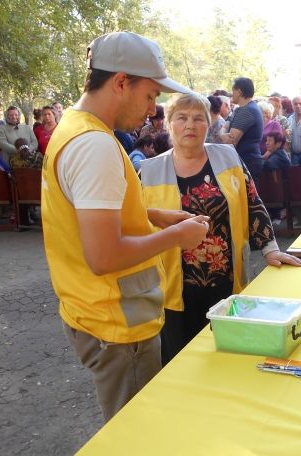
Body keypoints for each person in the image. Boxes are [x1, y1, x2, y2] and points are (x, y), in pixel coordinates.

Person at [41, 31, 210, 421]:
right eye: (150, 95)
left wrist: (152, 215)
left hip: (94, 312)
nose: (153, 109)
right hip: (117, 325)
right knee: (135, 432)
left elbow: (85, 212)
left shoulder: (76, 129)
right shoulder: (95, 145)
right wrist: (176, 236)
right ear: (120, 82)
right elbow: (103, 256)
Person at [140, 92, 301, 364]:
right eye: (181, 118)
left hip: (227, 284)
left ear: (209, 124)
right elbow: (135, 222)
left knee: (232, 359)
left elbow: (252, 202)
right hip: (175, 290)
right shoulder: (149, 171)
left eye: (198, 118)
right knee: (183, 364)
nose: (190, 125)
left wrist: (270, 248)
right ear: (168, 124)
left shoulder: (228, 157)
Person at [219, 77, 264, 186]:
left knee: (247, 196)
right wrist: (224, 131)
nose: (232, 94)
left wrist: (221, 133)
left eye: (233, 91)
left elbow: (230, 141)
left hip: (247, 162)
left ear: (239, 91)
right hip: (247, 160)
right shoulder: (243, 109)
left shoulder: (247, 111)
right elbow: (226, 125)